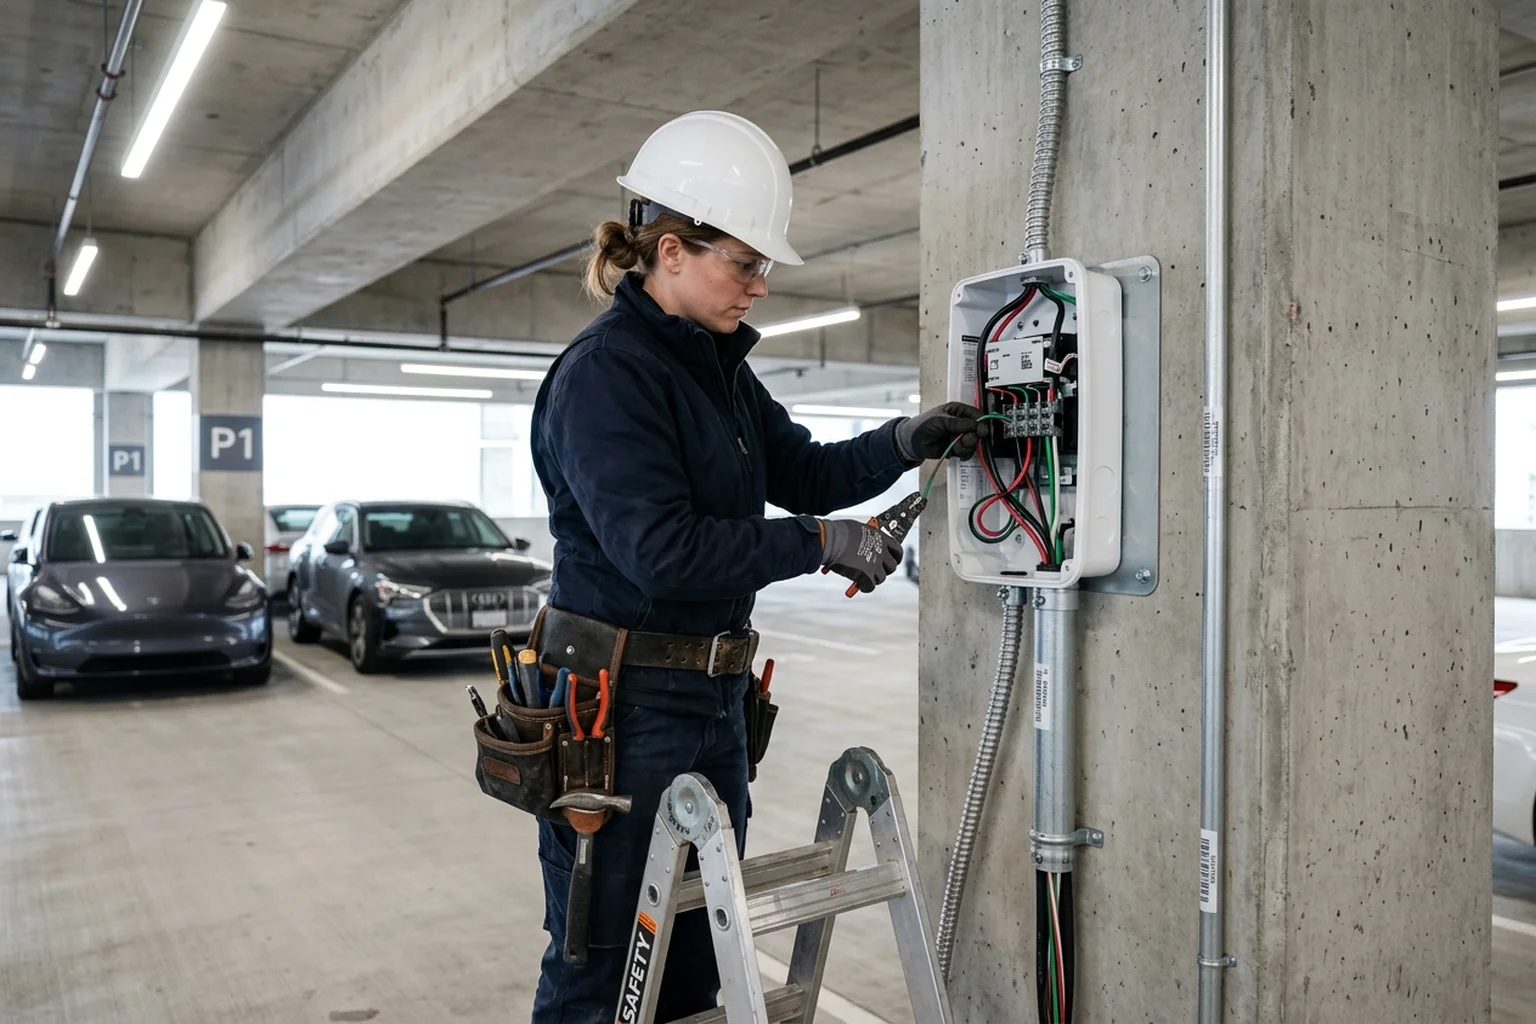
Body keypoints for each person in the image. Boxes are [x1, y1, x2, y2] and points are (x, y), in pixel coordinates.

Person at [528, 109, 980, 1021]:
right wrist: (821, 543)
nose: (760, 286)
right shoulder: (607, 377)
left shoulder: (716, 372)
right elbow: (662, 552)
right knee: (607, 965)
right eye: (746, 261)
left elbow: (803, 469)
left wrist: (903, 439)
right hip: (621, 712)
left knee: (691, 958)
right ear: (670, 251)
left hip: (711, 704)